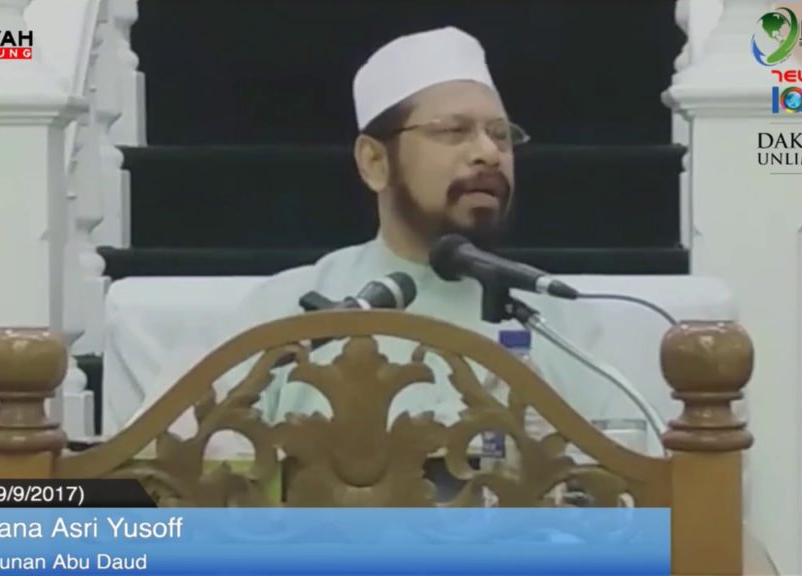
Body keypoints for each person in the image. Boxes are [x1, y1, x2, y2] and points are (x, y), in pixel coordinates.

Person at [135, 27, 611, 442]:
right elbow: (154, 474)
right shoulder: (286, 310)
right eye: (454, 131)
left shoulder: (557, 322)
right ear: (374, 162)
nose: (488, 152)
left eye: (501, 135)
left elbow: (633, 485)